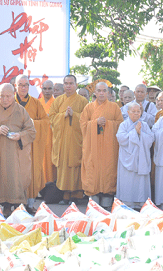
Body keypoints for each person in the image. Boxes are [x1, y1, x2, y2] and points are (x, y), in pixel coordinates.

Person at [0, 83, 36, 217]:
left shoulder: (21, 111)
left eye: (8, 96)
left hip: (13, 154)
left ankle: (11, 206)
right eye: (2, 96)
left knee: (13, 179)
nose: (5, 99)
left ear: (14, 95)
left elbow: (31, 131)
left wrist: (20, 135)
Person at [80, 82, 123, 209]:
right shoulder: (88, 107)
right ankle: (93, 196)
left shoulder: (114, 107)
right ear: (95, 92)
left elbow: (120, 123)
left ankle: (107, 197)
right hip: (92, 146)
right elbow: (82, 124)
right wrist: (95, 123)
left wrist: (108, 124)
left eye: (104, 91)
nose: (102, 93)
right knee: (92, 167)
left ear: (109, 93)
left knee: (108, 168)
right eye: (99, 90)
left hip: (109, 147)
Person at [49, 75, 89, 205]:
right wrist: (63, 115)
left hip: (76, 140)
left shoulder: (82, 101)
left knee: (75, 165)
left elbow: (87, 120)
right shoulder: (58, 100)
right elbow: (52, 118)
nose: (68, 86)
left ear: (76, 85)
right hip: (62, 141)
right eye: (66, 83)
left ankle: (76, 195)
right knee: (64, 166)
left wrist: (75, 115)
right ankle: (65, 195)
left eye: (71, 83)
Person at [14, 75, 48, 213]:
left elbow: (45, 121)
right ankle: (13, 204)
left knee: (31, 172)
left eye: (26, 85)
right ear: (15, 86)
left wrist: (33, 124)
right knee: (14, 173)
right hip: (14, 145)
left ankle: (30, 204)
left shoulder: (35, 103)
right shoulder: (10, 102)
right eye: (20, 85)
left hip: (31, 146)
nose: (23, 87)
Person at [116, 103, 154, 209]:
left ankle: (141, 203)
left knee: (141, 182)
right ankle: (128, 203)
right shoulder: (123, 125)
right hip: (127, 158)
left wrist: (140, 133)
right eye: (134, 111)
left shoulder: (144, 125)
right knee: (127, 180)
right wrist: (135, 132)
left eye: (138, 111)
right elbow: (121, 139)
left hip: (141, 157)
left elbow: (151, 139)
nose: (136, 113)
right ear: (128, 113)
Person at [38, 80, 56, 184]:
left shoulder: (57, 103)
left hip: (52, 138)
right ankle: (39, 188)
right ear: (42, 89)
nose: (47, 91)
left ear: (53, 90)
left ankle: (50, 189)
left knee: (50, 163)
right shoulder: (37, 103)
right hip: (39, 138)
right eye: (45, 88)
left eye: (50, 89)